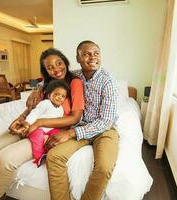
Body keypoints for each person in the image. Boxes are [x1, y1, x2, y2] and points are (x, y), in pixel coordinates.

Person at [0, 48, 84, 200]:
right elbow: (32, 109)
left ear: (65, 62)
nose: (56, 69)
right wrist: (20, 119)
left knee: (3, 160)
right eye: (50, 67)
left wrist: (40, 123)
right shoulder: (45, 85)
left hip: (46, 131)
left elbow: (75, 118)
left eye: (59, 63)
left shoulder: (75, 82)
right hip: (29, 124)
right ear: (45, 71)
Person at [45, 40, 119, 200]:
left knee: (105, 166)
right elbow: (53, 80)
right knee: (54, 156)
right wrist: (37, 90)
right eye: (86, 54)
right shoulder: (75, 76)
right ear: (78, 58)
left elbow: (105, 122)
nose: (92, 57)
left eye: (96, 53)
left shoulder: (108, 81)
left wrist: (71, 133)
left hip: (105, 130)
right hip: (81, 126)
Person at [23, 80, 70, 166]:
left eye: (63, 96)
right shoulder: (45, 103)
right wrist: (28, 124)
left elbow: (58, 121)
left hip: (50, 129)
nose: (60, 97)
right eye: (56, 94)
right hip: (38, 128)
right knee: (38, 138)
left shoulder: (60, 109)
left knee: (57, 135)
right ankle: (38, 157)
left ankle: (49, 151)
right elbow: (35, 113)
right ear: (49, 95)